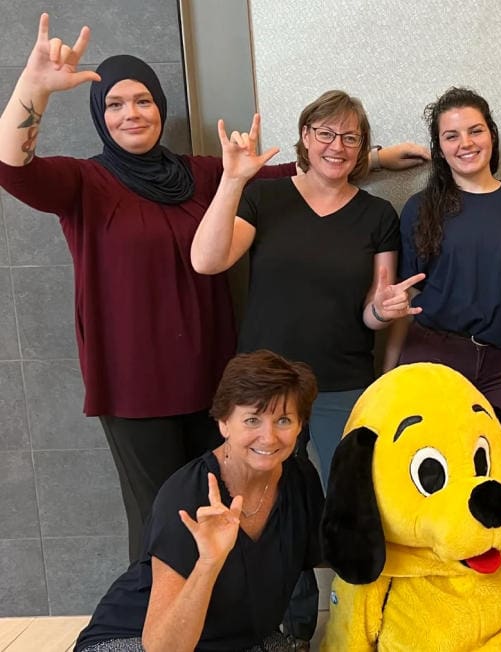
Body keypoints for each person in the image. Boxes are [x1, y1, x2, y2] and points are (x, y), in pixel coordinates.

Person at [0, 15, 426, 566]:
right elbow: (14, 169)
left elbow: (300, 179)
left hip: (213, 378)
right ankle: (150, 629)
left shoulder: (200, 174)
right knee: (158, 512)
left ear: (160, 108)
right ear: (100, 117)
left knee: (223, 509)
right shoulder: (85, 182)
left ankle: (222, 622)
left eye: (144, 101)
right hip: (136, 383)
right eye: (116, 104)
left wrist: (376, 158)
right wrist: (32, 89)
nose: (132, 113)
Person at [191, 90, 424, 490]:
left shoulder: (377, 214)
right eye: (326, 133)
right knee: (257, 492)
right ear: (306, 135)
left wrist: (385, 310)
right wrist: (232, 180)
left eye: (350, 138)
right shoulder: (265, 196)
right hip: (263, 381)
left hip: (342, 378)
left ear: (362, 147)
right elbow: (208, 261)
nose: (337, 146)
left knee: (347, 493)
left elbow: (373, 307)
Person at [74, 349, 321, 652]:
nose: (269, 438)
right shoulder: (186, 495)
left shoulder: (299, 480)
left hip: (238, 637)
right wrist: (209, 562)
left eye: (283, 420)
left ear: (300, 426)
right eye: (252, 420)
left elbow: (325, 552)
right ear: (224, 423)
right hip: (141, 638)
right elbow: (163, 647)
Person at [391, 87, 501, 409]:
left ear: (491, 136)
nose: (466, 143)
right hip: (436, 356)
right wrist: (390, 370)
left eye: (475, 131)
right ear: (440, 149)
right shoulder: (419, 207)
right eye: (451, 136)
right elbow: (408, 298)